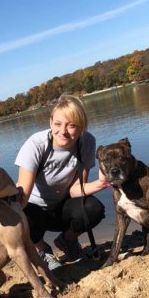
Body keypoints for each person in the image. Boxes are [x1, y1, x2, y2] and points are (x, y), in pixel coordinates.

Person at [15, 94, 109, 270]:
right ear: (50, 122)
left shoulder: (87, 142)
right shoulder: (36, 144)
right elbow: (23, 197)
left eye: (71, 125)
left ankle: (68, 240)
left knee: (93, 208)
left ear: (81, 127)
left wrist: (103, 183)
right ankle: (42, 249)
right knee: (22, 214)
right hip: (35, 210)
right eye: (58, 124)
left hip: (62, 208)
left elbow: (75, 190)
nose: (63, 131)